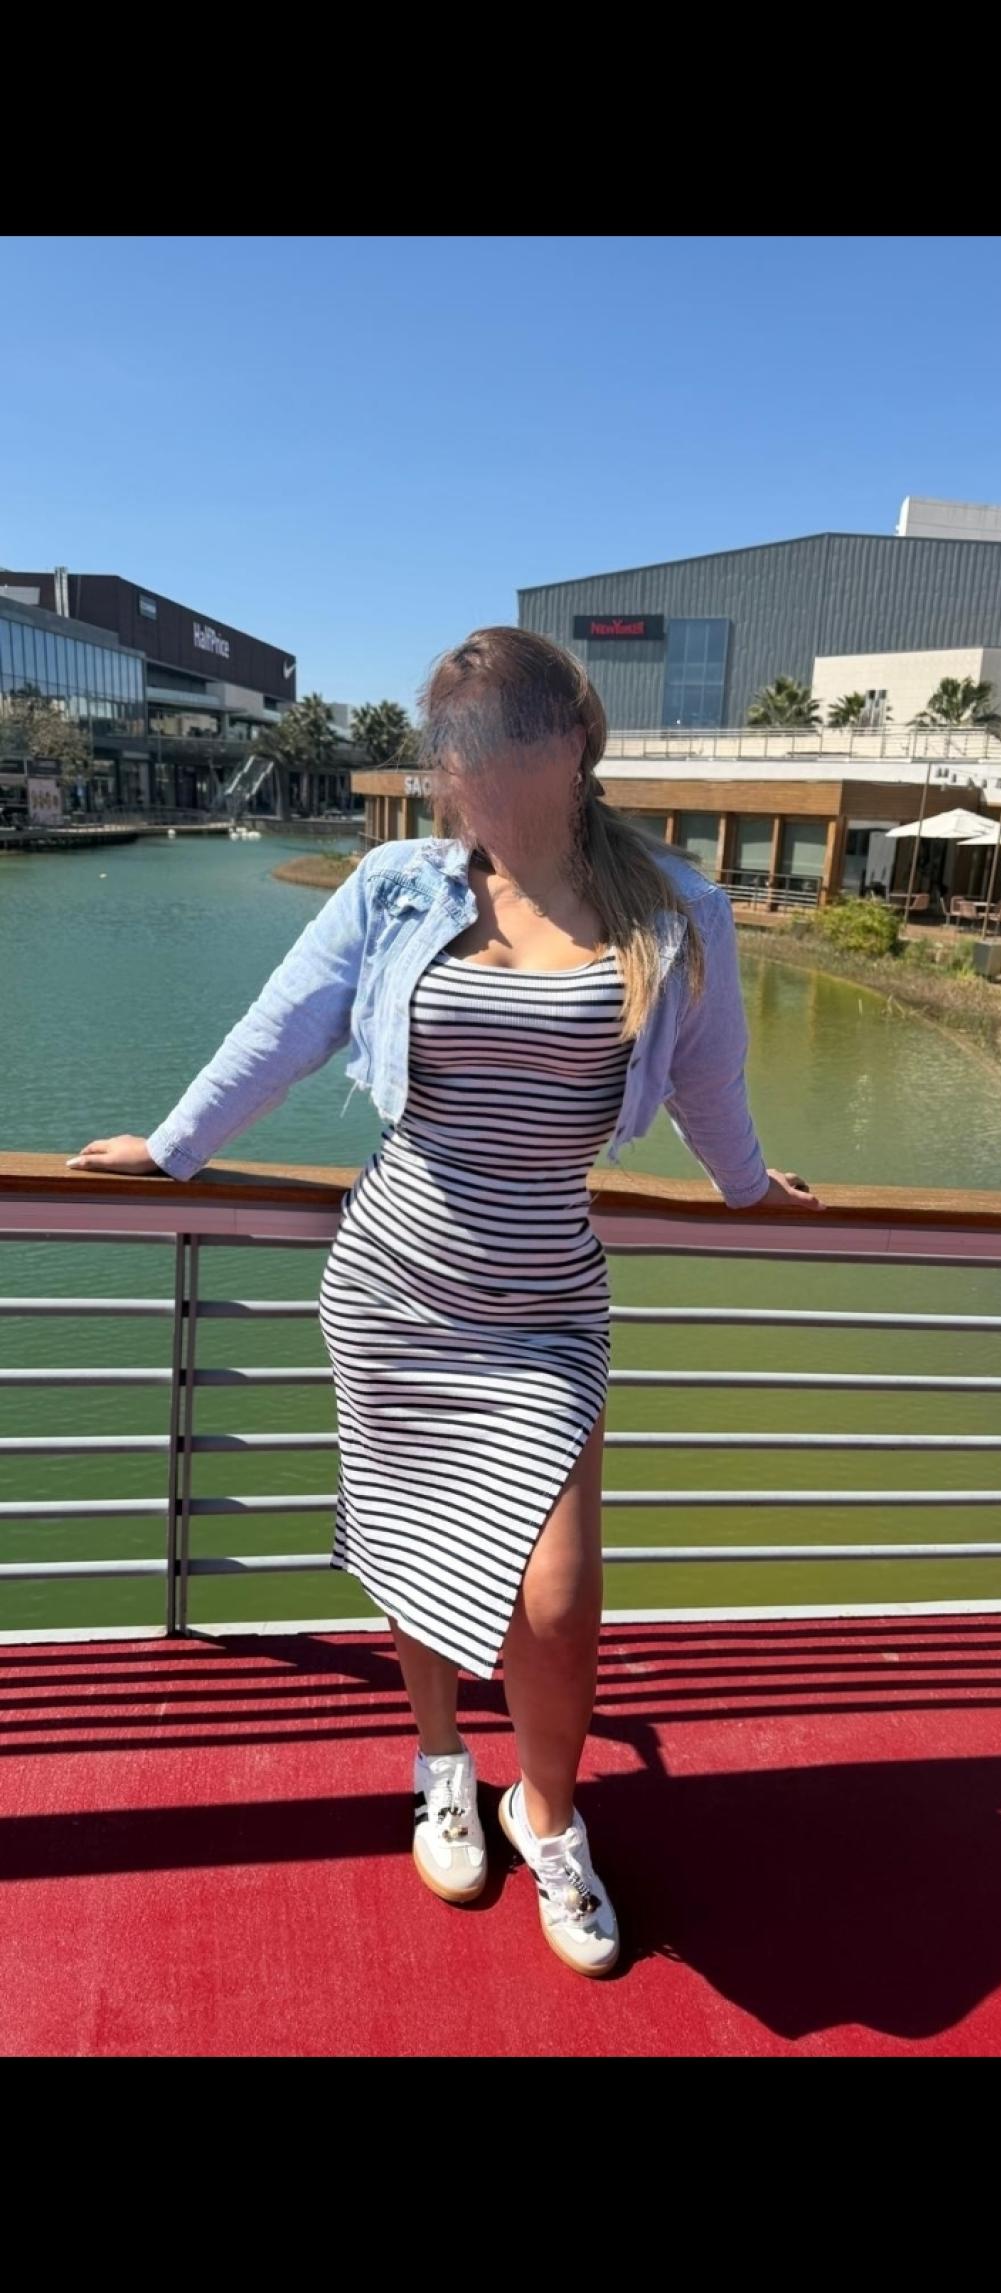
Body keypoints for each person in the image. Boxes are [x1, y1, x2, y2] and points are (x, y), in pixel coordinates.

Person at [69, 628, 817, 1979]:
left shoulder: (673, 912)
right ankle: (440, 1765)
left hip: (545, 1305)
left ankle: (550, 1812)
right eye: (455, 751)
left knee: (560, 1598)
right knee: (415, 1548)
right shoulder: (397, 887)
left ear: (572, 743)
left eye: (498, 743)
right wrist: (172, 1148)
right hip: (394, 1285)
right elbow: (283, 1029)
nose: (470, 774)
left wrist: (751, 1188)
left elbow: (709, 1082)